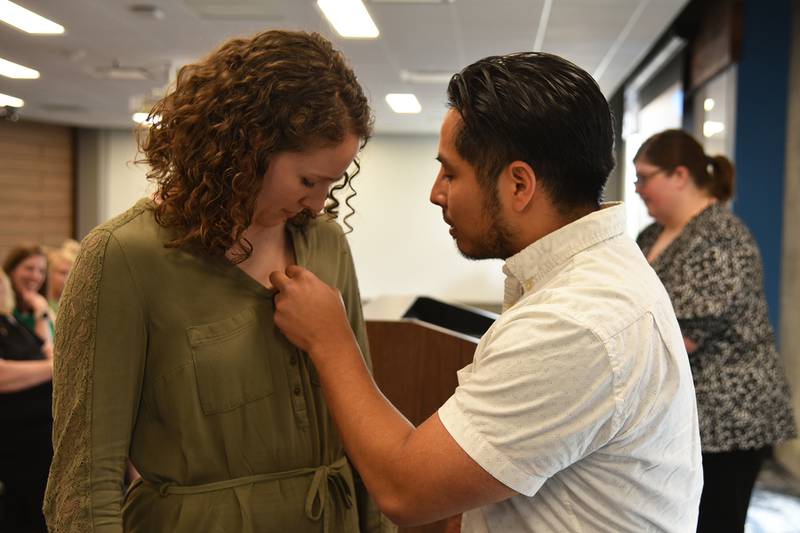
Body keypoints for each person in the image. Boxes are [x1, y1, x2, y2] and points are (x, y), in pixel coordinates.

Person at [269, 52, 703, 531]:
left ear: (519, 185)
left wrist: (330, 342)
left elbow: (405, 488)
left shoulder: (574, 322)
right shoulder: (595, 274)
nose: (436, 193)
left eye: (451, 173)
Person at [44, 30, 387, 533]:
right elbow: (85, 482)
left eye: (333, 184)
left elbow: (364, 421)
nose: (317, 204)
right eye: (308, 181)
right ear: (245, 151)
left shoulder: (325, 243)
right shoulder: (124, 257)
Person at [633, 129, 796, 533]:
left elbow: (680, 338)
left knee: (715, 524)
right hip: (685, 414)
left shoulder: (723, 238)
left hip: (729, 417)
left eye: (644, 177)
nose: (638, 189)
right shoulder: (651, 236)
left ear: (680, 176)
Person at [0, 269, 53, 533]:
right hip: (17, 442)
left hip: (41, 439)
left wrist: (41, 311)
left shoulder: (10, 322)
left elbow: (49, 348)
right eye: (29, 268)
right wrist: (56, 367)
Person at [2, 244, 53, 347]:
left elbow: (51, 353)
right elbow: (41, 354)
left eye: (41, 271)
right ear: (11, 271)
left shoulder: (45, 309)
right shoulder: (3, 312)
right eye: (29, 269)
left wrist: (41, 313)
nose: (35, 276)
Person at [46, 239, 80, 321]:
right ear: (49, 274)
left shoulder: (74, 306)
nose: (68, 278)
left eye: (71, 274)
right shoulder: (43, 304)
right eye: (62, 273)